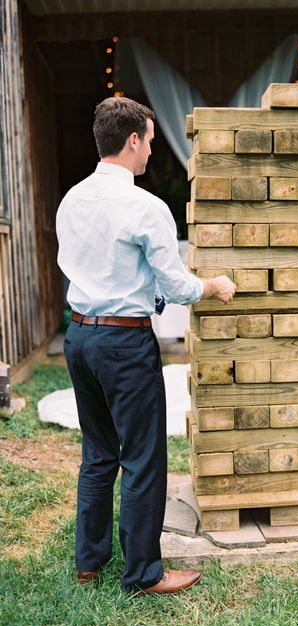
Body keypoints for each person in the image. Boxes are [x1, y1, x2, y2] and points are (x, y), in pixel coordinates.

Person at [56, 97, 236, 593]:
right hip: (123, 343)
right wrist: (213, 285)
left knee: (97, 452)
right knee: (141, 456)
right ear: (132, 140)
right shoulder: (144, 206)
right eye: (151, 143)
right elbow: (176, 285)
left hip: (80, 335)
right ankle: (143, 572)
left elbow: (75, 263)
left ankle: (89, 562)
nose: (151, 153)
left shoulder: (71, 199)